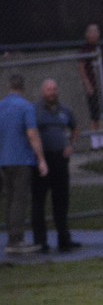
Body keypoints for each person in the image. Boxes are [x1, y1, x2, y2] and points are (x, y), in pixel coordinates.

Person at [32, 78, 81, 253]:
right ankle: (40, 241)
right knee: (39, 200)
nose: (52, 92)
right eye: (48, 89)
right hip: (42, 160)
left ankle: (64, 239)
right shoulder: (35, 111)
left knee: (61, 199)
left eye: (54, 89)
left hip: (60, 159)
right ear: (42, 92)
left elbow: (75, 129)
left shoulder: (64, 111)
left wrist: (71, 145)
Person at [0, 75, 48, 254]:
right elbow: (32, 134)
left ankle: (12, 235)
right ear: (23, 87)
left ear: (9, 86)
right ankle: (16, 239)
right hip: (21, 159)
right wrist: (41, 159)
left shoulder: (1, 107)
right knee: (20, 200)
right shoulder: (26, 107)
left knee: (10, 199)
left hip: (4, 159)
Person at [77, 23, 103, 148]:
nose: (95, 34)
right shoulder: (84, 49)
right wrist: (88, 85)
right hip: (93, 86)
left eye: (97, 31)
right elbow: (81, 69)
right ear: (87, 34)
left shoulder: (100, 48)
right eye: (92, 31)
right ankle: (94, 141)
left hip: (102, 85)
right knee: (94, 114)